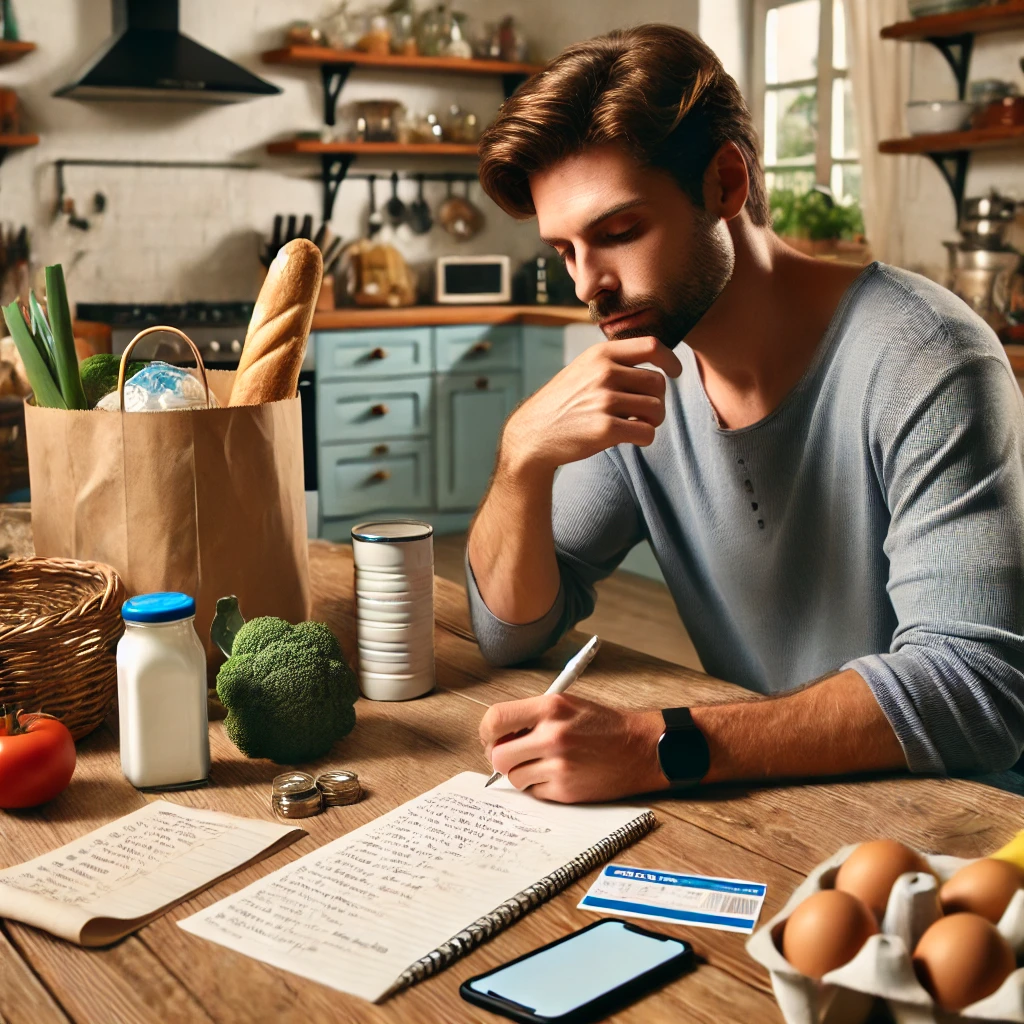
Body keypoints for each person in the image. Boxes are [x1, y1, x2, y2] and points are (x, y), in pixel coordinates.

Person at [466, 25, 1024, 803]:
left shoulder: (926, 358)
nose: (588, 284)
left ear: (725, 184)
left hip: (957, 824)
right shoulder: (639, 367)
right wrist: (520, 459)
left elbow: (979, 688)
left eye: (619, 232)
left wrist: (652, 745)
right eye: (564, 250)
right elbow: (510, 629)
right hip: (768, 801)